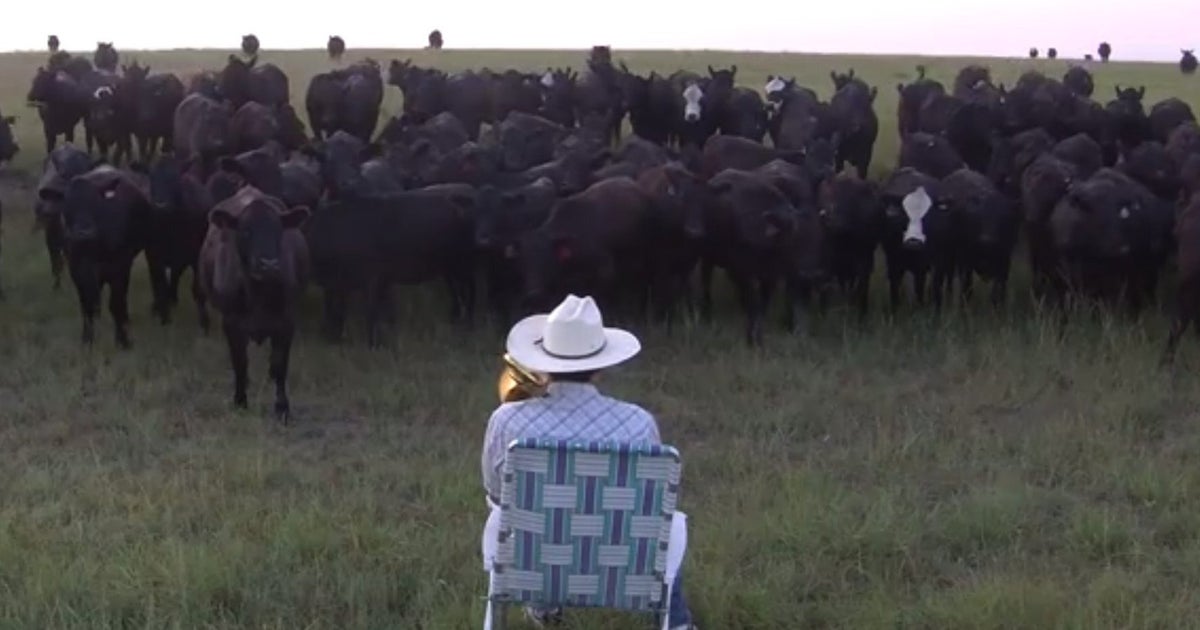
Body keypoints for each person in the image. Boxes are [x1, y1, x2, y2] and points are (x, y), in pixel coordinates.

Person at [481, 294, 696, 629]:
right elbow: (652, 509)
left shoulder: (506, 422)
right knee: (671, 523)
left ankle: (544, 603)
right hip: (621, 568)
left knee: (516, 514)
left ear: (544, 361)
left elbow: (495, 494)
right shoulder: (638, 422)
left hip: (534, 567)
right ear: (601, 367)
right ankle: (678, 623)